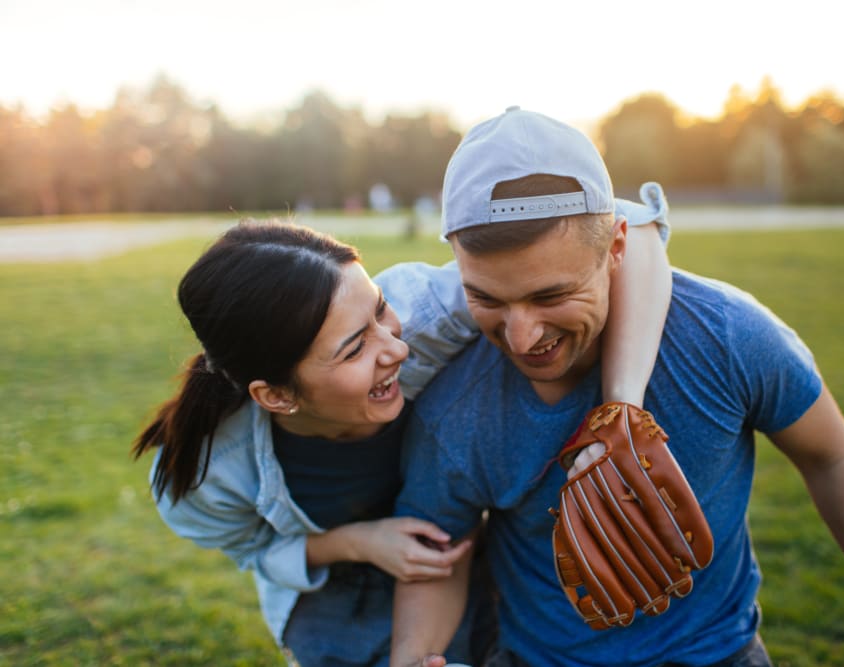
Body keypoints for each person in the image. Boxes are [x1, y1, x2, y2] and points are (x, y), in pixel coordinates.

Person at [389, 107, 844, 667]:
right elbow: (438, 557)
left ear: (617, 248)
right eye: (487, 299)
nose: (522, 337)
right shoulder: (456, 405)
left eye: (551, 296)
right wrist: (412, 657)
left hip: (722, 654)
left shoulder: (726, 336)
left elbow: (831, 459)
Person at [132, 182, 672, 666]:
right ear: (275, 395)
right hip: (334, 592)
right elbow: (254, 551)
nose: (394, 347)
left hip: (458, 554)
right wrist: (358, 542)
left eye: (379, 310)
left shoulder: (422, 317)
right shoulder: (205, 476)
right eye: (353, 350)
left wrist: (620, 410)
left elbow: (633, 228)